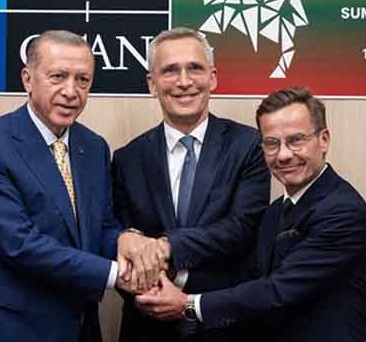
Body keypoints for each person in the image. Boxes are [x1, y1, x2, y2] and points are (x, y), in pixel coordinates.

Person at [0, 30, 158, 342]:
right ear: (28, 79)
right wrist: (117, 274)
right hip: (8, 327)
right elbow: (18, 243)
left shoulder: (93, 147)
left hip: (78, 325)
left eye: (83, 80)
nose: (71, 91)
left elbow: (100, 226)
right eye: (58, 77)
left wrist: (127, 240)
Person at [137, 87, 366, 342]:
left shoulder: (342, 210)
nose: (284, 155)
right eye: (272, 143)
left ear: (324, 139)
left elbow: (278, 290)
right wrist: (174, 276)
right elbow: (245, 281)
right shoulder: (275, 212)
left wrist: (188, 305)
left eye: (296, 140)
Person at [111, 27, 271, 341]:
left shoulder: (249, 145)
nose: (184, 81)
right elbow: (122, 240)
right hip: (146, 327)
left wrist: (166, 247)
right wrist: (152, 286)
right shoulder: (127, 158)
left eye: (194, 68)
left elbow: (242, 228)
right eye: (170, 70)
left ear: (213, 78)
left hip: (223, 326)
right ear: (152, 84)